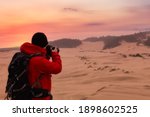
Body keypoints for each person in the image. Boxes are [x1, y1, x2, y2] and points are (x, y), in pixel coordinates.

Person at [20, 32, 62, 100]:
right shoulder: (38, 61)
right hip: (40, 98)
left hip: (29, 95)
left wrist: (45, 55)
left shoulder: (27, 55)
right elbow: (57, 68)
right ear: (44, 45)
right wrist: (55, 53)